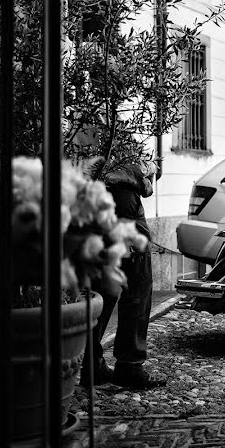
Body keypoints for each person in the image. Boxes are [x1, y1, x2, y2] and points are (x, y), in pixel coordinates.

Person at [79, 161, 166, 389]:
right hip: (122, 194)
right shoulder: (116, 129)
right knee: (137, 284)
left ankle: (92, 364)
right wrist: (150, 169)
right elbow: (134, 165)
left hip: (94, 194)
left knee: (103, 286)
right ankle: (130, 366)